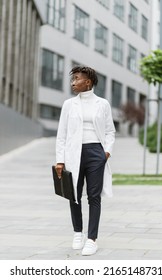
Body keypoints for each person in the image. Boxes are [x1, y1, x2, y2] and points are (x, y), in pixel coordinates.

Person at [55, 66, 115, 256]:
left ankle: (92, 239)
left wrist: (106, 152)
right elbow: (61, 135)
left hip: (95, 153)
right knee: (74, 194)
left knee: (94, 197)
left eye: (77, 79)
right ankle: (77, 233)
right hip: (74, 153)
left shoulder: (102, 104)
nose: (73, 82)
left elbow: (110, 131)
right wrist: (60, 160)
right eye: (72, 79)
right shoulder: (68, 105)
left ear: (88, 82)